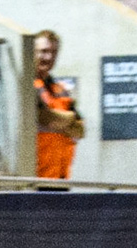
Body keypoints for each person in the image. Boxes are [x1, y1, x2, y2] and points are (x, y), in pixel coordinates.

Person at [33, 29, 83, 180]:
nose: (48, 57)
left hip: (60, 178)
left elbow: (80, 130)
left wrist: (60, 119)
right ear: (32, 52)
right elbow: (45, 117)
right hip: (34, 178)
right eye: (43, 51)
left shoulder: (60, 89)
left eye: (53, 52)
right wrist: (69, 119)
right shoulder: (28, 85)